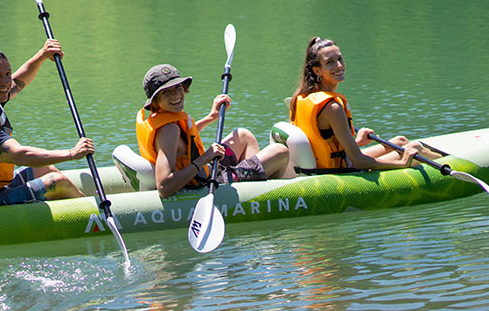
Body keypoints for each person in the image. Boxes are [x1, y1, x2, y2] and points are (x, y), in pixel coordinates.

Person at [0, 41, 94, 208]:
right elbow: (19, 155)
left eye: (7, 73)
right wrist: (71, 153)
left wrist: (42, 55)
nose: (6, 82)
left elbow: (18, 83)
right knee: (56, 182)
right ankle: (96, 217)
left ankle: (77, 215)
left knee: (46, 170)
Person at [136, 63, 290, 198]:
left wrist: (212, 117)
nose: (176, 94)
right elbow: (164, 187)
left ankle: (250, 186)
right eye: (166, 92)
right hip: (207, 182)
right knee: (280, 152)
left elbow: (186, 139)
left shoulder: (165, 119)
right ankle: (257, 194)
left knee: (243, 136)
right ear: (155, 101)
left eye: (177, 87)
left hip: (207, 171)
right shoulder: (168, 131)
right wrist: (206, 157)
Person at [289, 36, 430, 171]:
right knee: (415, 148)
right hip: (340, 170)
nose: (339, 65)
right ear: (317, 70)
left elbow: (324, 142)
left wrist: (357, 142)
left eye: (339, 58)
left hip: (333, 162)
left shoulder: (300, 96)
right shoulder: (333, 108)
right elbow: (359, 162)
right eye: (330, 62)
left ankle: (449, 160)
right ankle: (451, 166)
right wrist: (402, 164)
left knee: (400, 141)